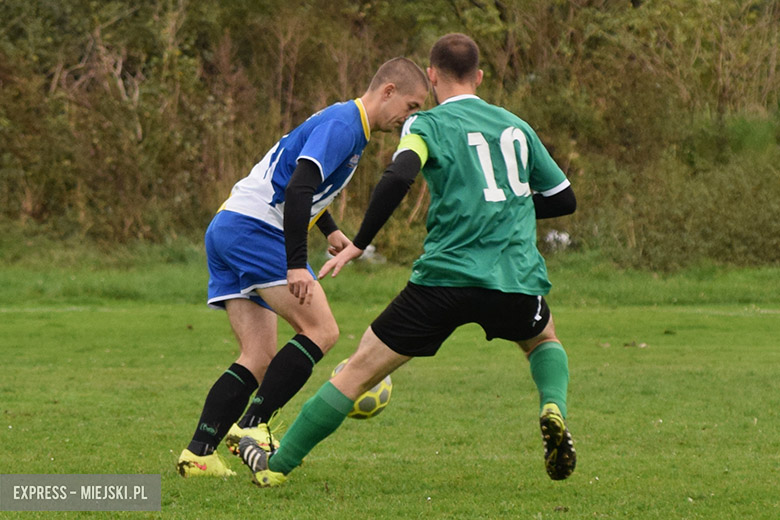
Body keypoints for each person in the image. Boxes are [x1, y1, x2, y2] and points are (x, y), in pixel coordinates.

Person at [238, 33, 578, 487]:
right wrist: (505, 210)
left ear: (432, 76)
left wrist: (360, 241)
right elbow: (563, 198)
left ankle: (275, 468)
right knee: (543, 340)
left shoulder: (425, 125)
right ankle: (552, 406)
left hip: (444, 279)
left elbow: (399, 175)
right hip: (514, 276)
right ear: (479, 76)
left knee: (358, 370)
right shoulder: (515, 126)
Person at [176, 57, 429, 477]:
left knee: (258, 355)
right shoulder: (345, 125)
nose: (410, 116)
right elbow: (297, 187)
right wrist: (296, 264)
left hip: (230, 225)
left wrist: (328, 228)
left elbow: (298, 181)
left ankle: (199, 453)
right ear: (387, 91)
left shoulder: (346, 124)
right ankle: (253, 427)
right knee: (322, 330)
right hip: (254, 231)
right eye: (411, 105)